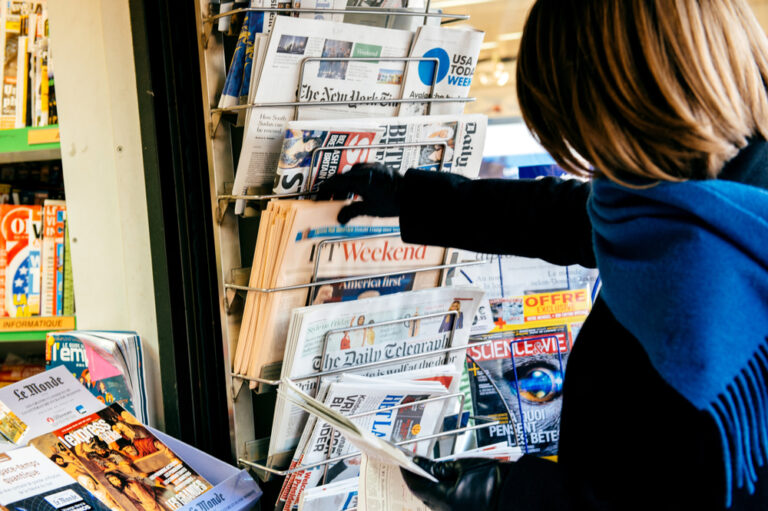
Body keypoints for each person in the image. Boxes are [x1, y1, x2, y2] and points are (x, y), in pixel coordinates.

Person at [316, 1, 768, 509]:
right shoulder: (692, 199)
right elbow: (566, 215)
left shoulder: (707, 280)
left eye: (584, 133)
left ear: (635, 102)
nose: (590, 162)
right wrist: (410, 199)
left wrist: (504, 496)